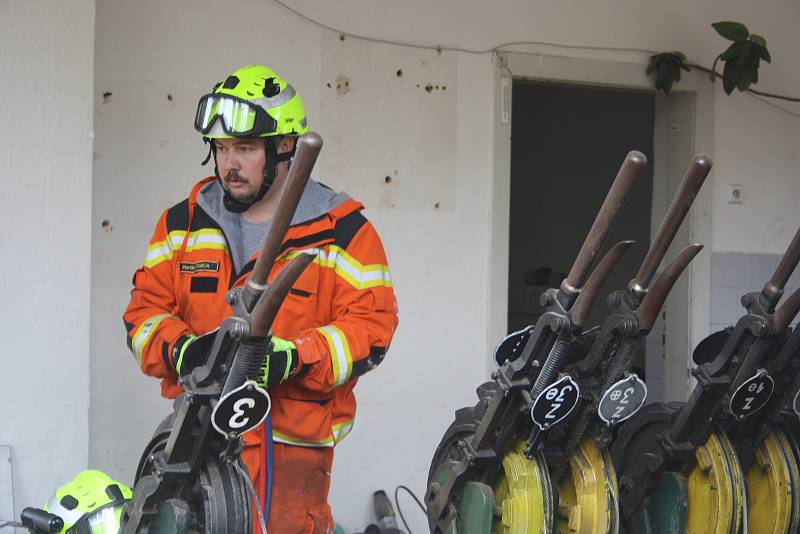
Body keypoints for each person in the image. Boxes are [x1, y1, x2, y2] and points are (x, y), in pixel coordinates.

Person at [123, 64, 399, 533]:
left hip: (291, 460)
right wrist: (182, 349)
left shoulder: (342, 231)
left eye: (245, 149)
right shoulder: (182, 225)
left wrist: (293, 358)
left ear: (285, 147)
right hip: (193, 447)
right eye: (221, 148)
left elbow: (372, 329)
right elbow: (143, 315)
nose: (228, 164)